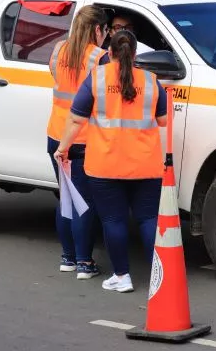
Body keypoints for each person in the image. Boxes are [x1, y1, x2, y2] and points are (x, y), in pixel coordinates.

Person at [54, 30, 167, 293]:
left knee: (113, 220)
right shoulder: (151, 81)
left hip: (105, 165)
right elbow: (162, 120)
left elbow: (75, 119)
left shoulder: (96, 79)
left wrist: (63, 148)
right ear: (135, 54)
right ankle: (159, 277)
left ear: (110, 53)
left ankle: (122, 276)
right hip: (146, 165)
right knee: (149, 219)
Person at [46, 4, 110, 279]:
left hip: (56, 135)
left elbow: (54, 73)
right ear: (97, 29)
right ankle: (84, 263)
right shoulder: (100, 58)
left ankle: (68, 258)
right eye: (106, 30)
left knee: (66, 200)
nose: (106, 35)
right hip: (83, 139)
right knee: (84, 202)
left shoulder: (60, 49)